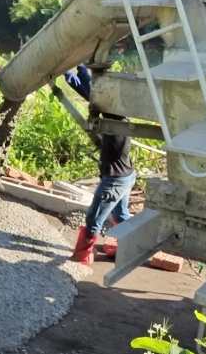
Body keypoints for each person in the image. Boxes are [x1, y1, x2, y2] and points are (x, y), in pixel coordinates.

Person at [65, 65, 136, 265]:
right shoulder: (119, 117)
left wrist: (73, 74)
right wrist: (77, 72)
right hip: (126, 175)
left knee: (93, 219)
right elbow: (92, 94)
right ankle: (133, 247)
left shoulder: (115, 119)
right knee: (121, 215)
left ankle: (81, 257)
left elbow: (94, 96)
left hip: (114, 180)